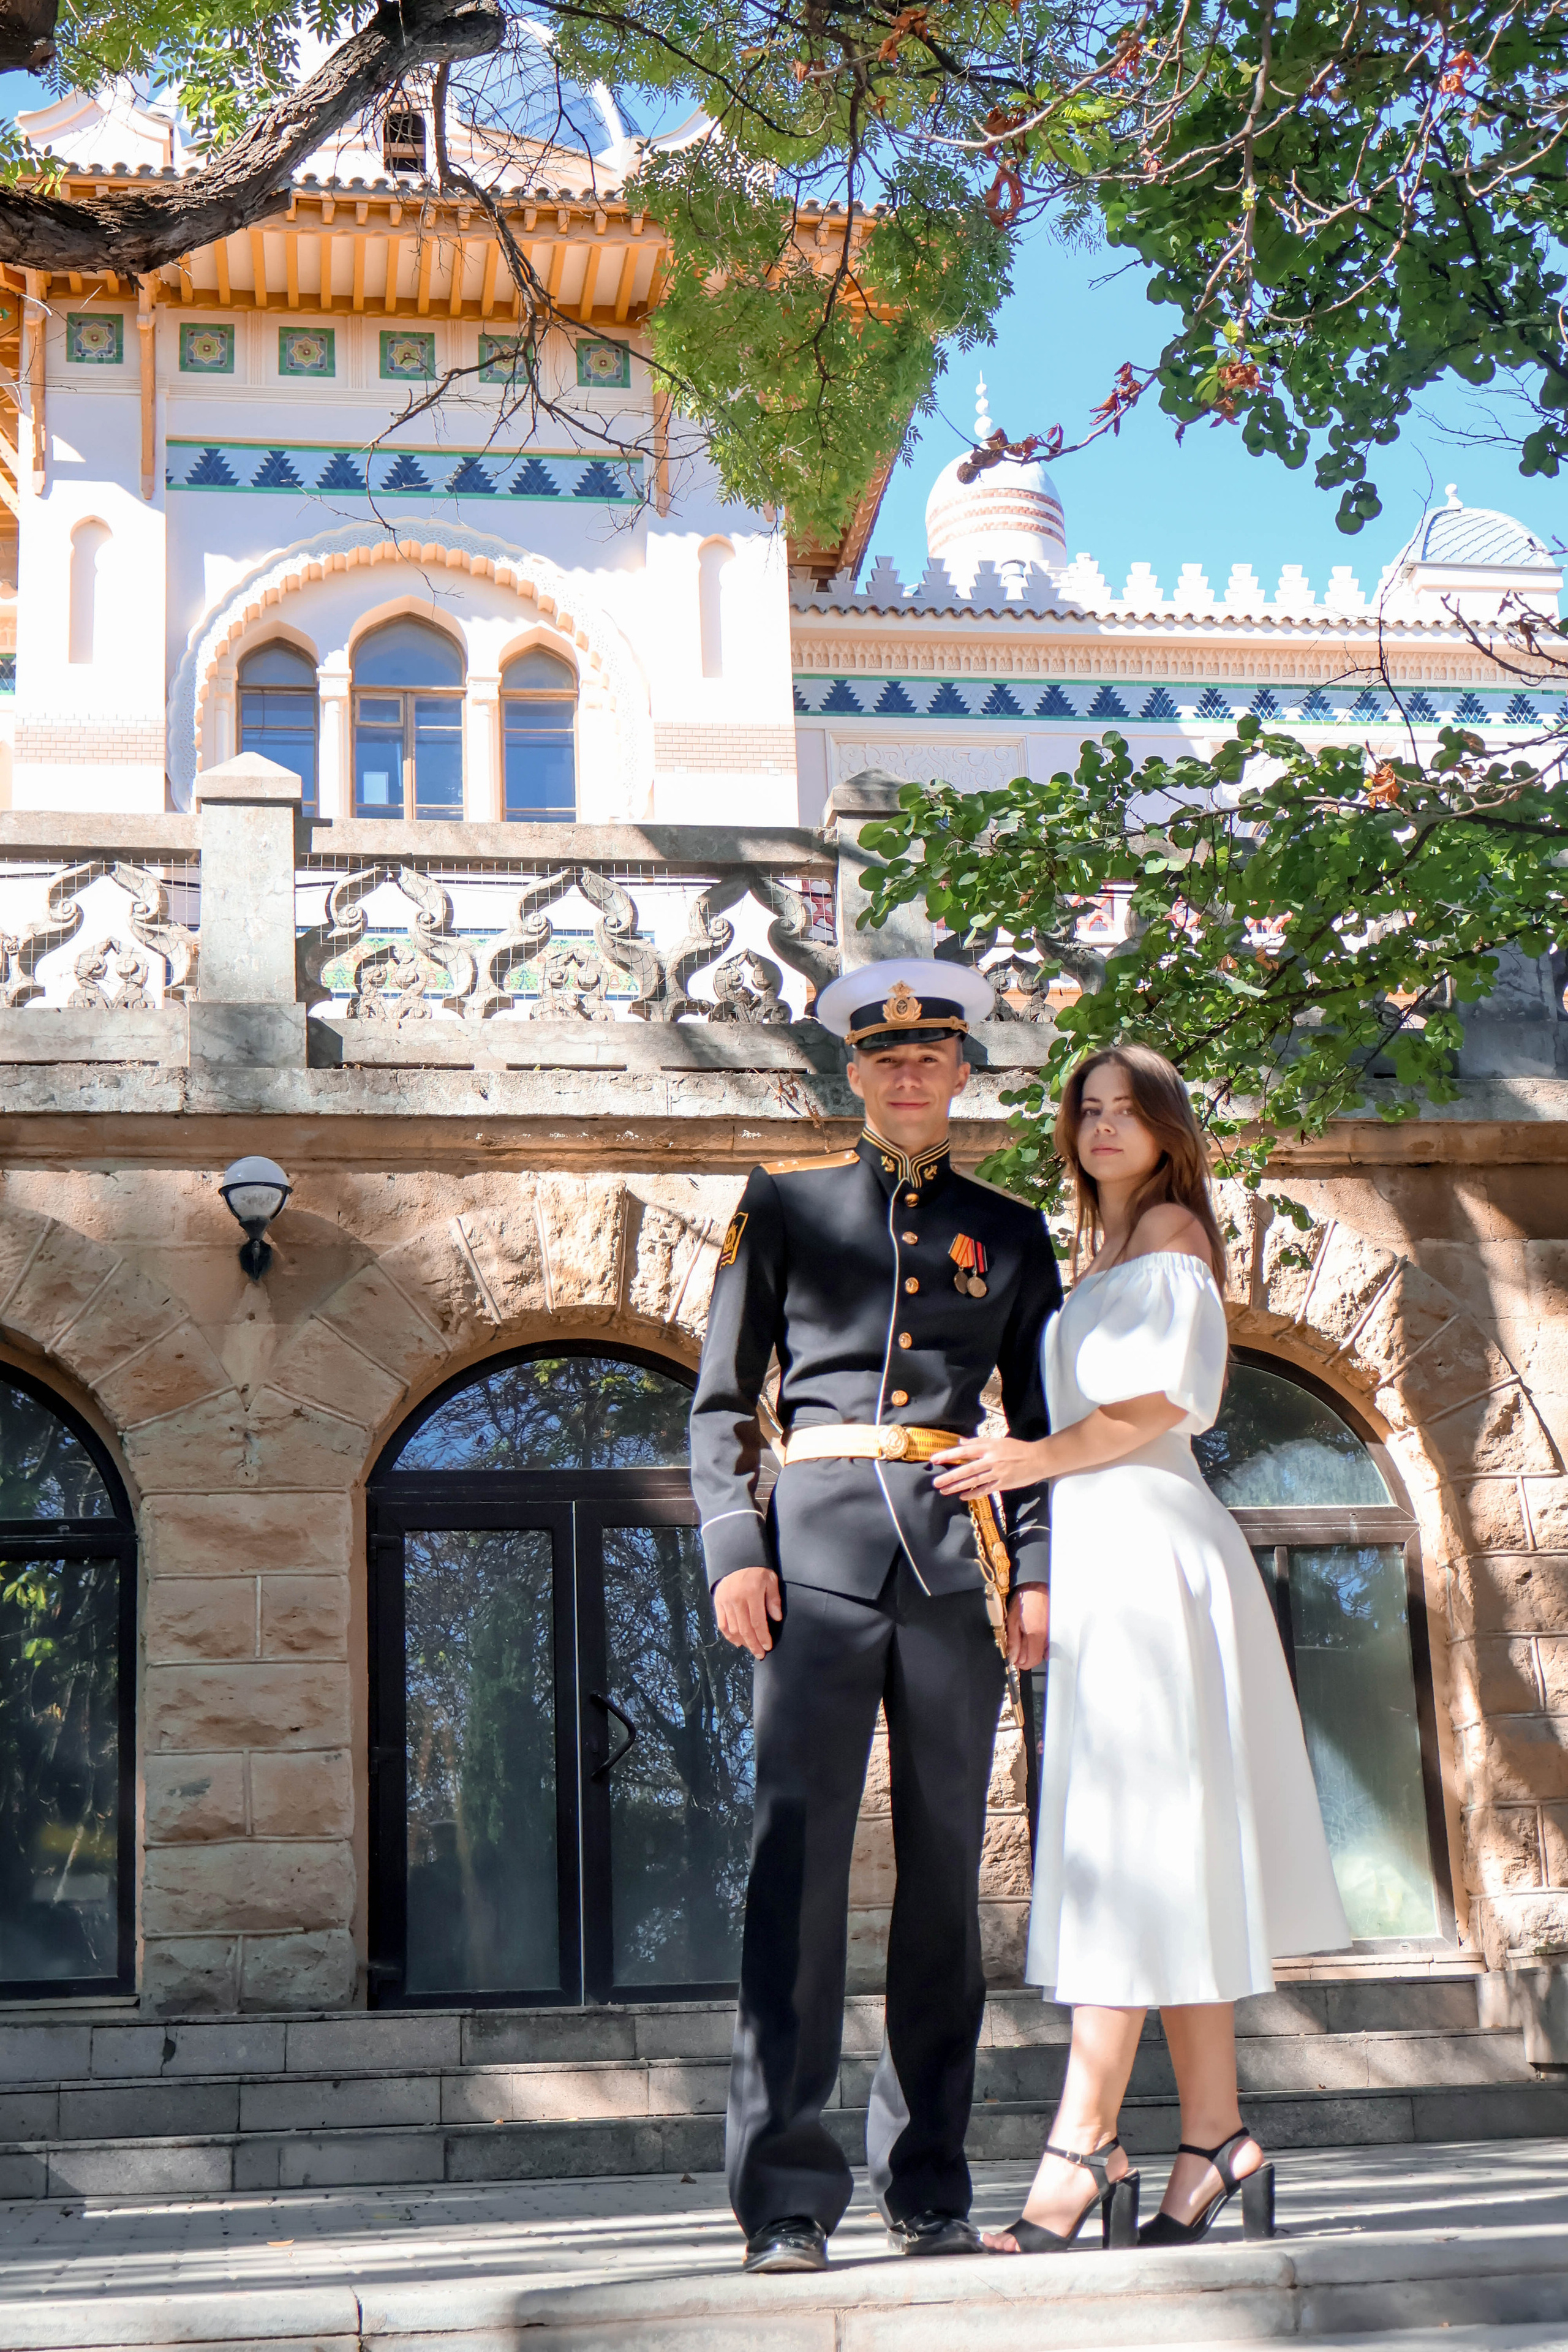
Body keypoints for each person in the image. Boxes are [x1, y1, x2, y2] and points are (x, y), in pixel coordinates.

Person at [933, 1043, 1349, 2253]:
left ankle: (1078, 2149)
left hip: (1154, 1551)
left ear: (1166, 1132)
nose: (1101, 1126)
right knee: (1158, 1856)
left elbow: (1162, 1408)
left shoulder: (1172, 1240)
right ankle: (1214, 2141)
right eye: (1085, 1110)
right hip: (1113, 1553)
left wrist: (1023, 1461)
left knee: (1126, 1846)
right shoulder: (1095, 1262)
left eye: (1125, 1110)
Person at [690, 959, 1061, 2274]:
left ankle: (928, 2188)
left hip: (952, 1571)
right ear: (851, 1073)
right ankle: (785, 2200)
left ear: (962, 1075)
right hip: (816, 1557)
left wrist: (1033, 1570)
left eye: (931, 1058)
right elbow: (723, 1401)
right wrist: (737, 1546)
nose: (907, 1077)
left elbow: (1043, 1425)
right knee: (794, 1874)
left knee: (944, 1892)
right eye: (883, 1058)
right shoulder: (782, 1206)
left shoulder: (1012, 1231)